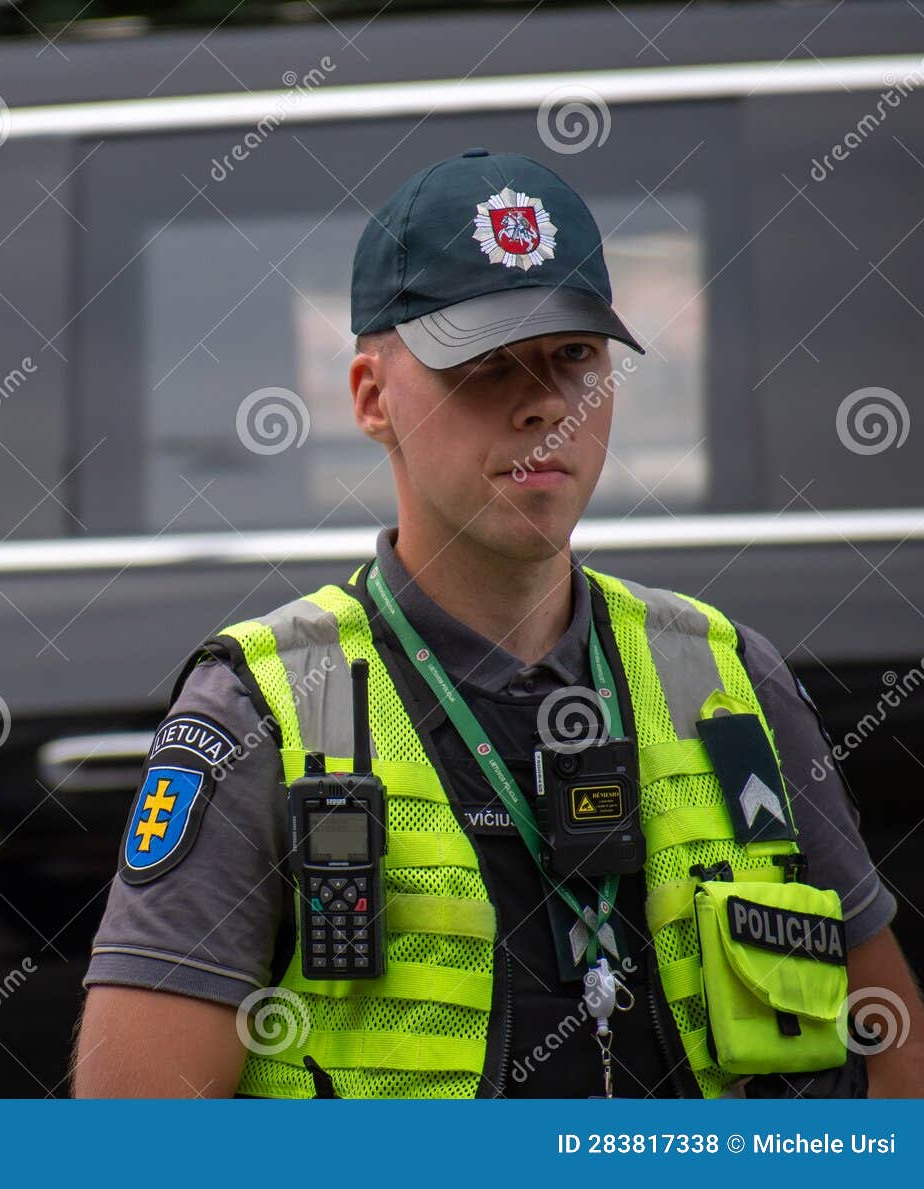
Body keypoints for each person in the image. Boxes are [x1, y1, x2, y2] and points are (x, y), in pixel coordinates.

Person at [73, 147, 924, 1099]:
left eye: (574, 357)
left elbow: (892, 1060)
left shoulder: (729, 678)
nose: (545, 405)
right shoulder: (260, 711)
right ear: (369, 398)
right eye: (485, 366)